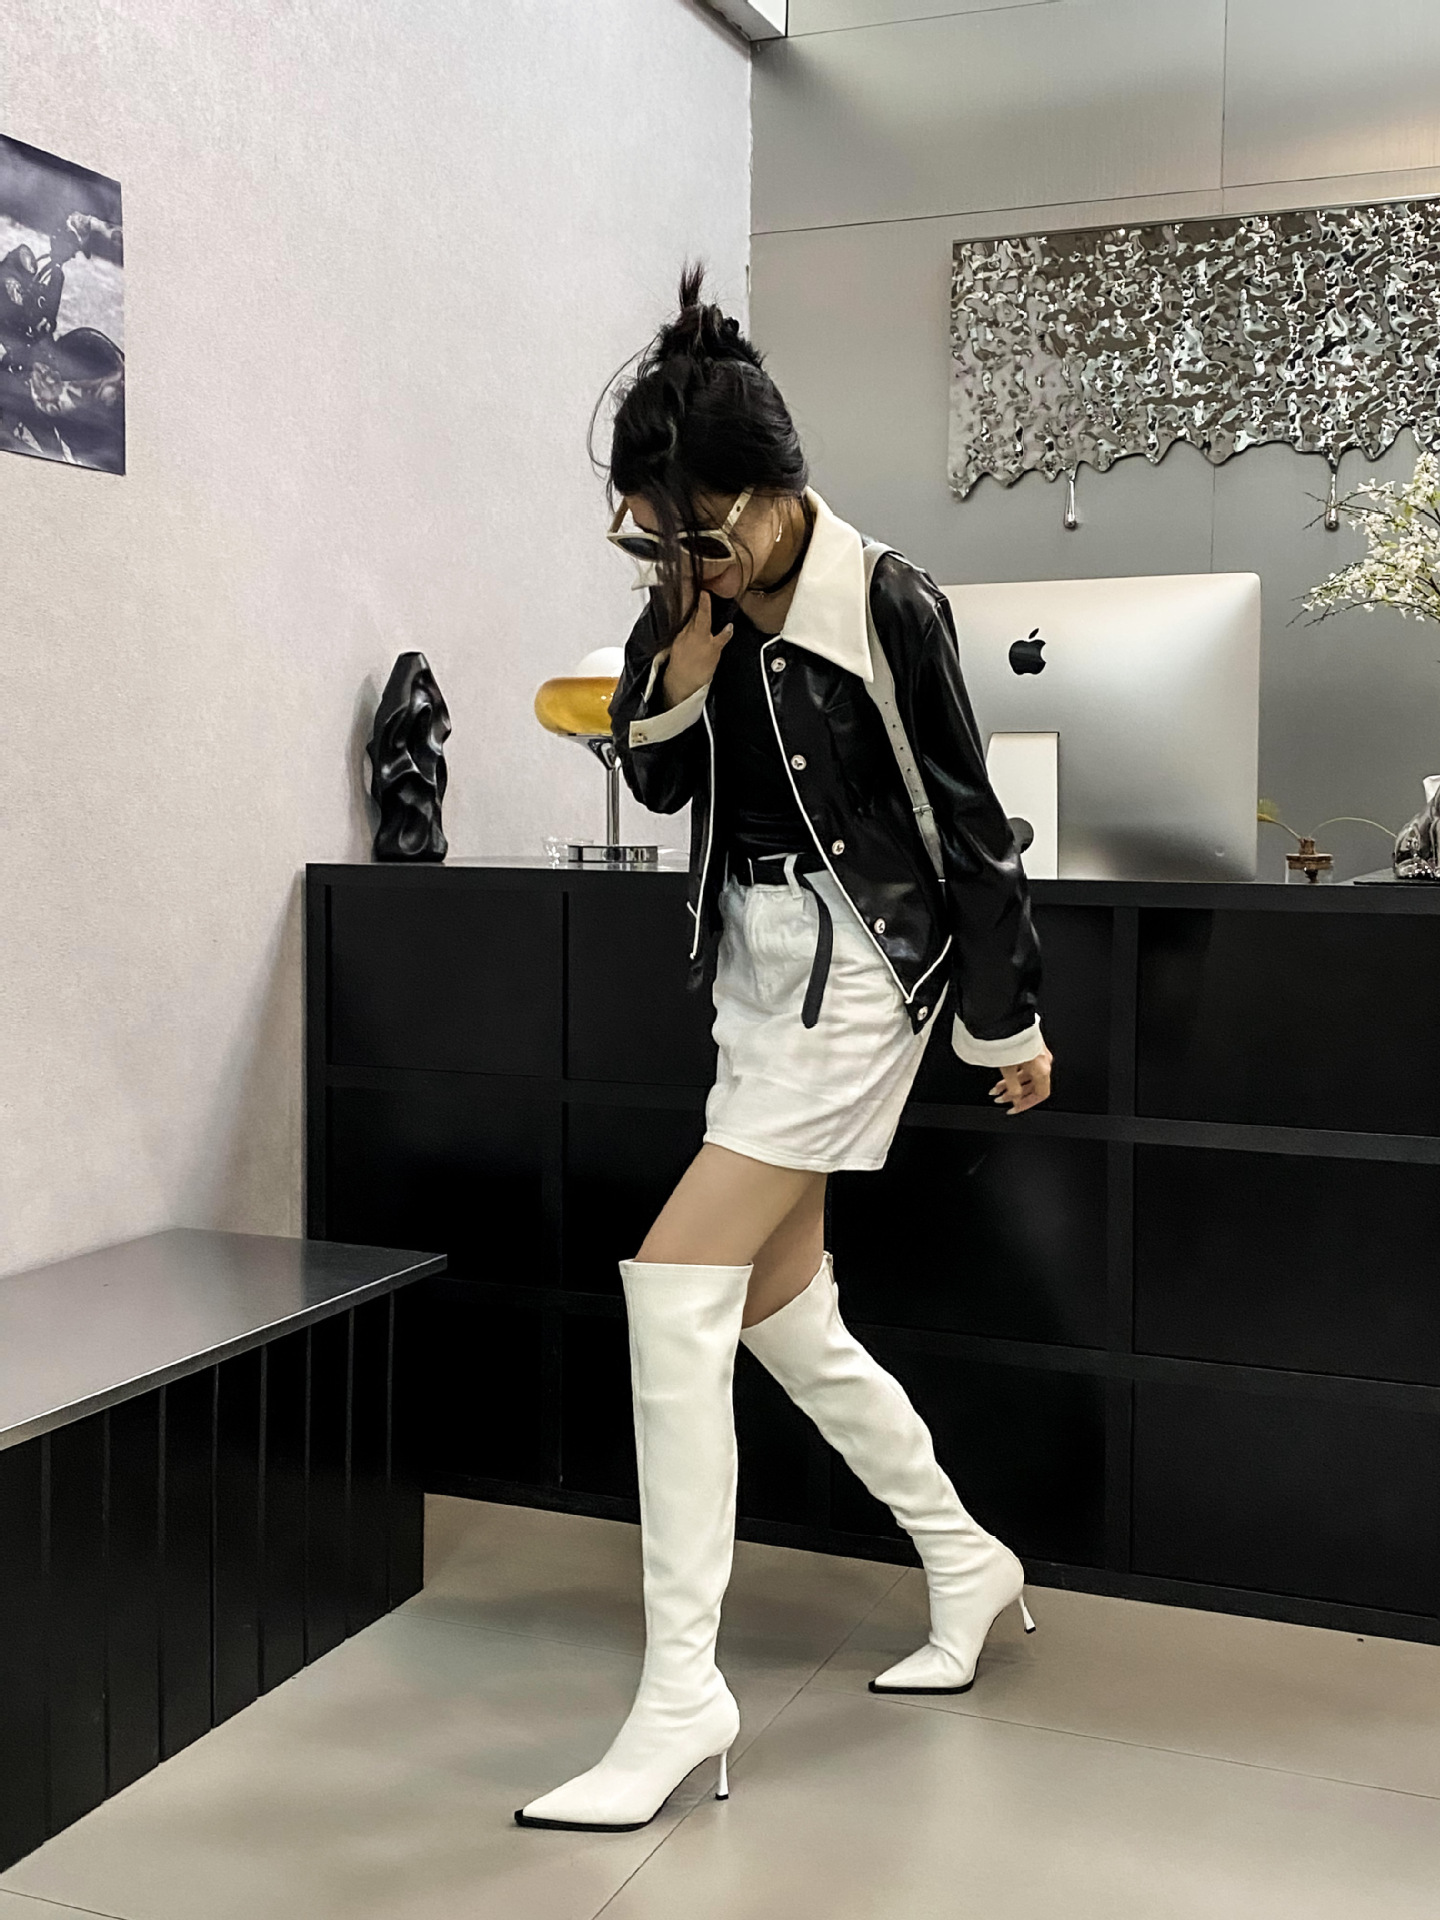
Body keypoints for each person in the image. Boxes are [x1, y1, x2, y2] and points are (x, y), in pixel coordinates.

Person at [515, 268, 1052, 1834]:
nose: (684, 566)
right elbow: (662, 786)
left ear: (772, 497)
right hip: (754, 975)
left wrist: (1004, 1015)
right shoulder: (688, 589)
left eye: (699, 539)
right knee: (779, 1310)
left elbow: (970, 820)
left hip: (863, 974)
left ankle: (681, 1695)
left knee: (673, 1284)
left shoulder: (887, 599)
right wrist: (678, 657)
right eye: (653, 543)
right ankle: (965, 1557)